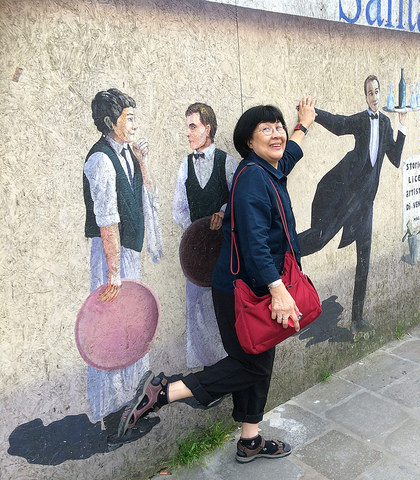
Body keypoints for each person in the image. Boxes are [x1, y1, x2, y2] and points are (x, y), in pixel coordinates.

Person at [116, 98, 317, 463]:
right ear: (249, 142)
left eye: (279, 127)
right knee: (251, 364)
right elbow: (254, 243)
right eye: (266, 129)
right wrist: (278, 290)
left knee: (259, 358)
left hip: (253, 286)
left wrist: (302, 125)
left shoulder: (268, 168)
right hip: (244, 289)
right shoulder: (252, 178)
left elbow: (289, 155)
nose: (277, 134)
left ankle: (249, 442)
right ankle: (164, 392)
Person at [298, 75, 406, 333]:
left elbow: (395, 158)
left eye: (377, 91)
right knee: (320, 237)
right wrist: (314, 114)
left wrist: (402, 126)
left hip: (366, 204)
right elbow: (339, 124)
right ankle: (285, 249)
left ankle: (357, 318)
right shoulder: (360, 120)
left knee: (364, 260)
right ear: (365, 96)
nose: (375, 97)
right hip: (347, 199)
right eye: (370, 93)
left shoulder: (385, 123)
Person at [83, 88, 163, 422]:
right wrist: (114, 273)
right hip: (110, 257)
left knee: (132, 323)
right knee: (110, 328)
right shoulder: (100, 160)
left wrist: (142, 162)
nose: (134, 125)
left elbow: (146, 196)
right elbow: (107, 221)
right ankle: (111, 410)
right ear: (109, 122)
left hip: (128, 253)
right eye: (128, 118)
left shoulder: (129, 153)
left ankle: (133, 399)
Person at [173, 103, 237, 368]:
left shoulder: (227, 162)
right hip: (197, 258)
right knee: (195, 313)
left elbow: (239, 200)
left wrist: (223, 212)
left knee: (222, 311)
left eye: (192, 126)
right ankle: (204, 370)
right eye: (187, 127)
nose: (187, 133)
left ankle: (226, 366)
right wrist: (196, 234)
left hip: (224, 255)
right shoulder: (185, 165)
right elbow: (179, 208)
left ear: (207, 128)